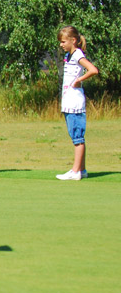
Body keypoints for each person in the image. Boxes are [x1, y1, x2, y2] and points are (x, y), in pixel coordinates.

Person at [55, 26, 98, 181]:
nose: (61, 44)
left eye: (63, 41)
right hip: (69, 100)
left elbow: (93, 70)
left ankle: (75, 171)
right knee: (76, 136)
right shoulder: (69, 55)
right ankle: (82, 169)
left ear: (73, 40)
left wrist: (79, 80)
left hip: (74, 101)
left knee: (77, 137)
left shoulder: (77, 54)